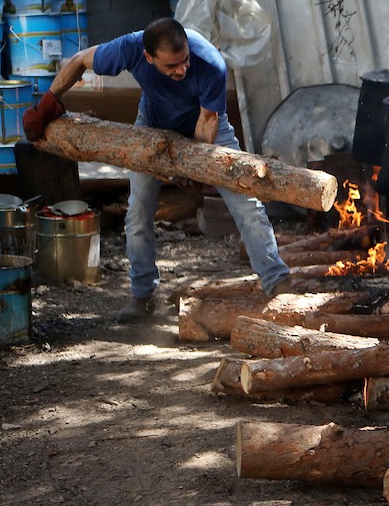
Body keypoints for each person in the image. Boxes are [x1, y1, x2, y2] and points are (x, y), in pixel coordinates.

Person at [22, 17, 292, 323]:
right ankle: (142, 295)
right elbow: (79, 60)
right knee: (138, 212)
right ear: (148, 57)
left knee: (248, 206)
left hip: (206, 126)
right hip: (151, 125)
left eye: (184, 61)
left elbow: (207, 120)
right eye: (171, 66)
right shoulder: (130, 48)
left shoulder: (209, 62)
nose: (182, 70)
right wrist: (48, 102)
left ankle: (278, 285)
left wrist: (195, 168)